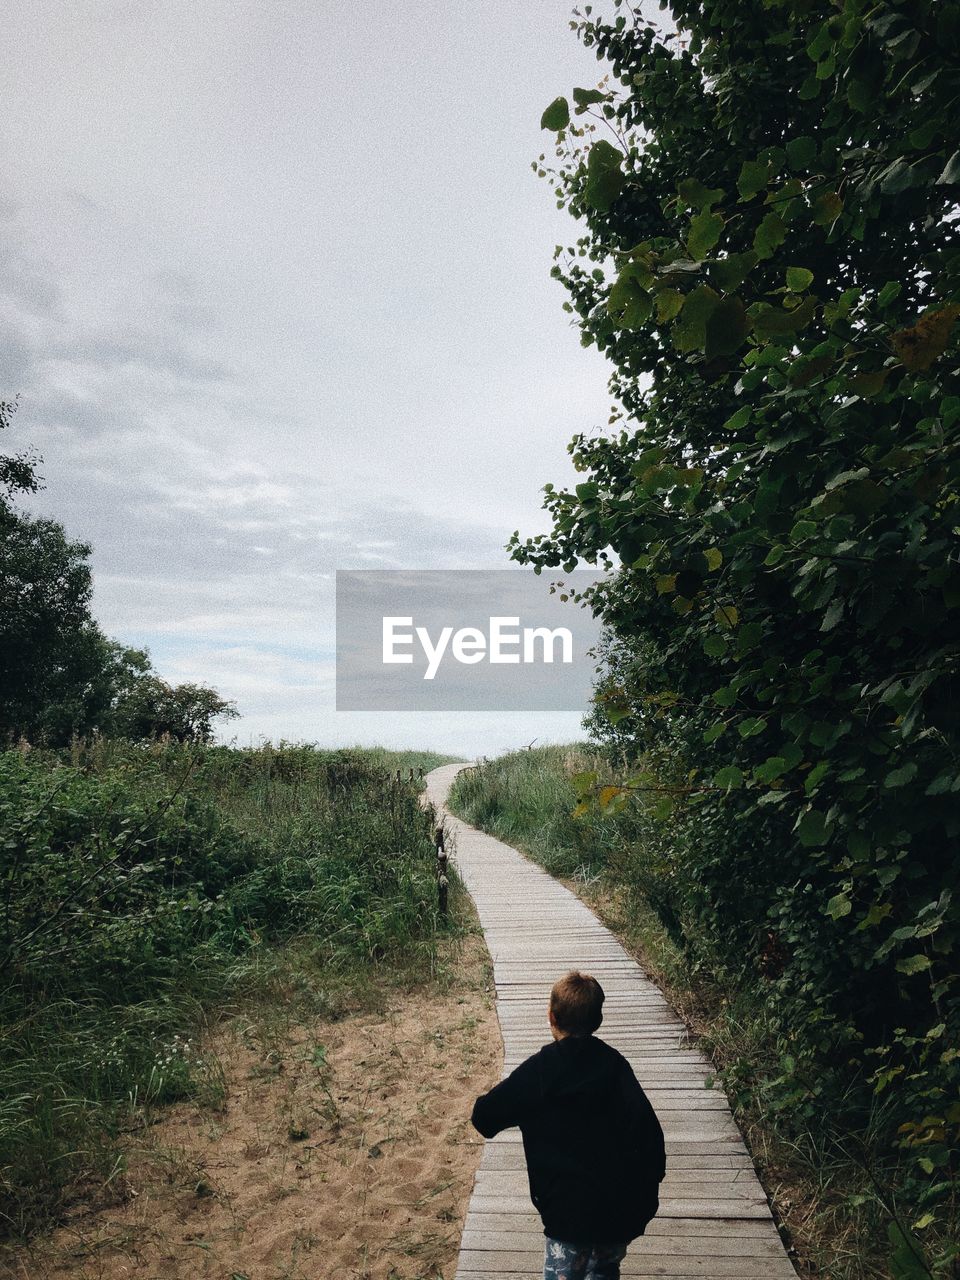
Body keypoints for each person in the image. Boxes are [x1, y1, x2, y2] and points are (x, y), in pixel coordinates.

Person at [471, 970, 665, 1280]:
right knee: (604, 1269)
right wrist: (648, 1184)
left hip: (567, 1214)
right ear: (597, 1021)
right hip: (620, 1211)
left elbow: (484, 1117)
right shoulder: (615, 1066)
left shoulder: (539, 1073)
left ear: (551, 1016)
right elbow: (649, 1133)